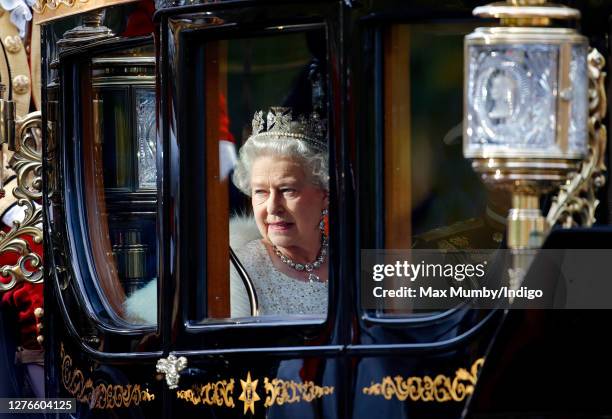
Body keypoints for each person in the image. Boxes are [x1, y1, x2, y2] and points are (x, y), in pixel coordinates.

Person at [230, 106, 329, 316]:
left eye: (287, 190)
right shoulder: (235, 271)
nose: (273, 207)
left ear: (325, 194)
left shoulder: (355, 261)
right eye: (261, 192)